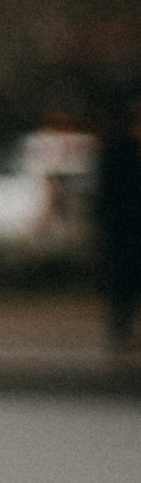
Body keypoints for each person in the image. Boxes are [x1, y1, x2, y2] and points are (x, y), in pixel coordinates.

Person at [97, 96, 141, 363]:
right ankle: (122, 334)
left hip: (122, 230)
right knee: (123, 283)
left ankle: (122, 334)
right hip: (125, 230)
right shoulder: (120, 152)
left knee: (122, 283)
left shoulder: (115, 152)